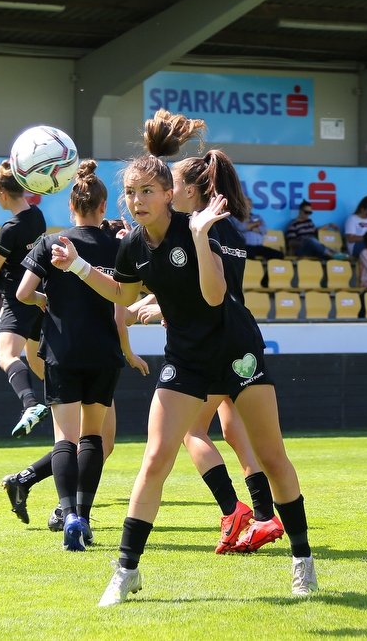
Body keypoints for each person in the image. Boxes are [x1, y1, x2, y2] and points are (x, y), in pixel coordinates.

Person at [51, 109, 316, 605]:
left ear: (169, 193)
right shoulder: (131, 244)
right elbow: (123, 298)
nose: (137, 201)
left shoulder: (204, 228)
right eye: (130, 193)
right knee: (154, 460)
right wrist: (79, 266)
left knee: (274, 458)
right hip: (187, 361)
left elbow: (215, 298)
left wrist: (198, 239)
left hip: (237, 355)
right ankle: (126, 571)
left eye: (147, 191)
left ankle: (303, 560)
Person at [137, 151, 285, 554]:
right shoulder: (231, 228)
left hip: (211, 345)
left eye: (174, 185)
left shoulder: (197, 229)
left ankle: (232, 509)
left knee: (191, 431)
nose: (168, 194)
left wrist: (163, 305)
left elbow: (206, 294)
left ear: (190, 189)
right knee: (238, 434)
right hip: (239, 339)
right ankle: (264, 518)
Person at [7, 161, 148, 549]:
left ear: (72, 206)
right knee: (93, 439)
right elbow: (125, 303)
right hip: (103, 354)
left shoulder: (53, 243)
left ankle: (67, 513)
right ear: (104, 207)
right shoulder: (119, 246)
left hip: (62, 351)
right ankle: (84, 516)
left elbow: (22, 294)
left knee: (64, 440)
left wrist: (46, 300)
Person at [0, 161, 48, 438]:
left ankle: (30, 405)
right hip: (39, 292)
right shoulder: (37, 216)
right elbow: (18, 255)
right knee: (35, 357)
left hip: (19, 298)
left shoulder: (11, 227)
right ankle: (64, 399)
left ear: (2, 193)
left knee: (6, 356)